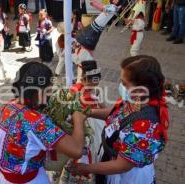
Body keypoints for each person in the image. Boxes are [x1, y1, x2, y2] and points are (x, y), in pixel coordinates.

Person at [70, 55, 169, 184]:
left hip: (127, 177)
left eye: (124, 83)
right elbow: (115, 114)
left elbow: (122, 165)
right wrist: (87, 112)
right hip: (112, 162)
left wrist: (86, 168)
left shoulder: (145, 125)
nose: (121, 86)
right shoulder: (136, 99)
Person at [0, 61, 88, 183]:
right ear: (38, 92)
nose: (49, 95)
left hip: (2, 175)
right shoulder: (37, 122)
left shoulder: (8, 106)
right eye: (48, 91)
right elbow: (77, 150)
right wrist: (78, 119)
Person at [59, 60, 105, 183]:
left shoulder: (96, 90)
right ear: (84, 78)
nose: (93, 84)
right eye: (90, 81)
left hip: (95, 123)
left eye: (96, 81)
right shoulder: (75, 92)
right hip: (80, 126)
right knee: (78, 154)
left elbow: (102, 106)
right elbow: (67, 113)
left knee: (92, 152)